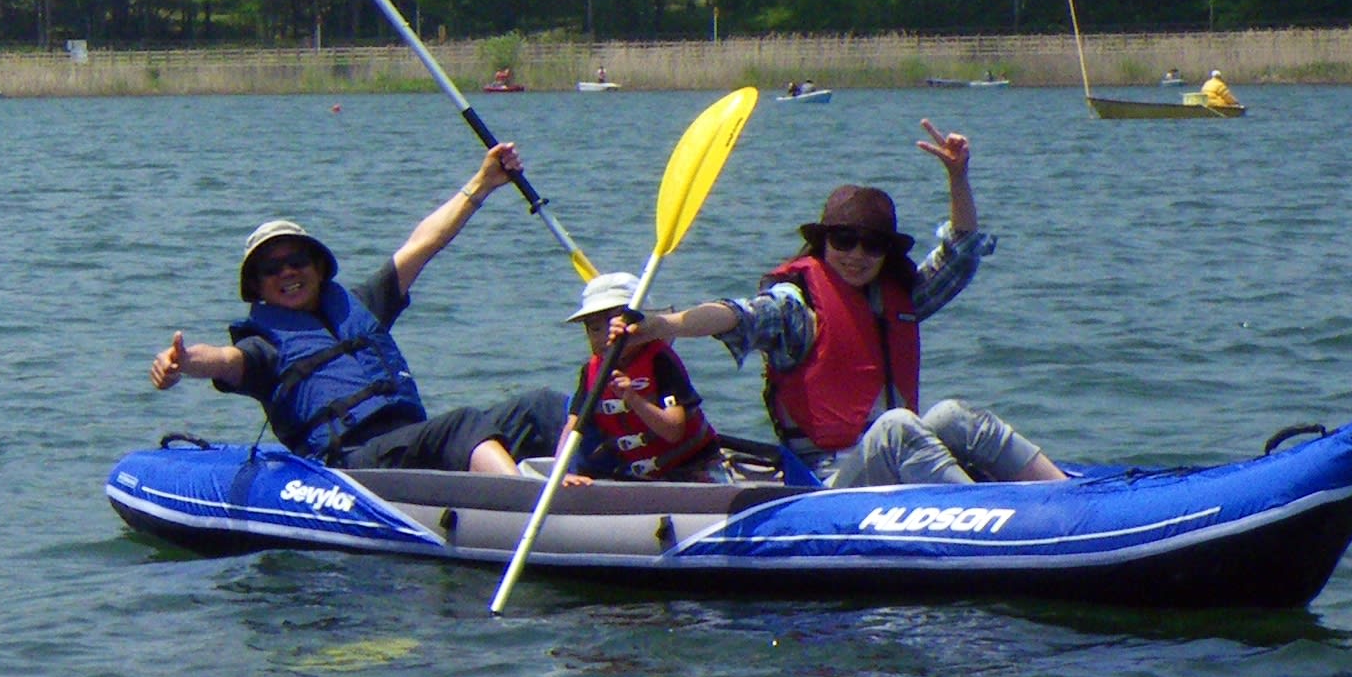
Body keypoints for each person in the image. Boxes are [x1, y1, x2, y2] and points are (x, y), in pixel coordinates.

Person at [631, 122, 1066, 488]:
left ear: (886, 253)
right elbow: (736, 315)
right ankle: (992, 516)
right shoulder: (796, 308)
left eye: (872, 245)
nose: (857, 255)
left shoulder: (898, 296)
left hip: (897, 456)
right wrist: (663, 324)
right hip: (829, 479)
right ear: (823, 243)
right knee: (897, 426)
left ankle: (1068, 493)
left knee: (953, 415)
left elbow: (961, 254)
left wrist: (958, 177)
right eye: (843, 241)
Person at [150, 143, 569, 478]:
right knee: (460, 426)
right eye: (271, 268)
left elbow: (423, 245)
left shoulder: (361, 304)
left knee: (543, 407)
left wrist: (483, 183)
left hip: (409, 439)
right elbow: (223, 361)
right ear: (258, 287)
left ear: (318, 267)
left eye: (297, 260)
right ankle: (528, 508)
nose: (288, 272)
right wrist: (183, 361)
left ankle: (619, 474)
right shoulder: (263, 347)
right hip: (355, 461)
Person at [565, 271, 729, 481]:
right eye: (595, 328)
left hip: (692, 467)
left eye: (613, 323)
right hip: (639, 474)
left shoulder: (660, 360)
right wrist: (564, 472)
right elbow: (572, 427)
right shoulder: (591, 370)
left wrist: (633, 399)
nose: (606, 336)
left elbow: (673, 431)